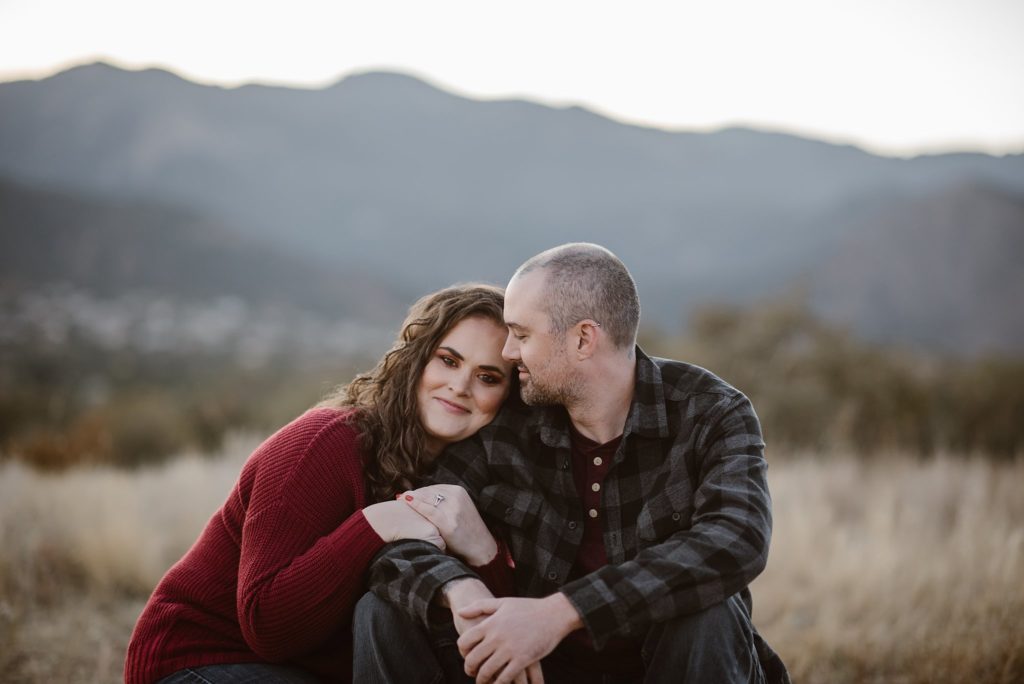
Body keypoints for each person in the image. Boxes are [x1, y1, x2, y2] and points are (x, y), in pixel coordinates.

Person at [358, 243, 789, 683]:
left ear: (583, 338)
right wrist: (461, 591)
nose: (507, 352)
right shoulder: (509, 421)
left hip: (662, 667)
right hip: (536, 672)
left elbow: (738, 537)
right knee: (386, 609)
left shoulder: (708, 412)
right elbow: (399, 550)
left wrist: (559, 614)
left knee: (707, 611)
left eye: (522, 335)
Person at [124, 284, 518, 684]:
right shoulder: (326, 442)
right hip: (197, 663)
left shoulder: (473, 477)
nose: (461, 386)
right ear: (415, 359)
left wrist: (485, 553)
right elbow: (269, 629)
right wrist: (377, 523)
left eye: (488, 377)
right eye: (448, 360)